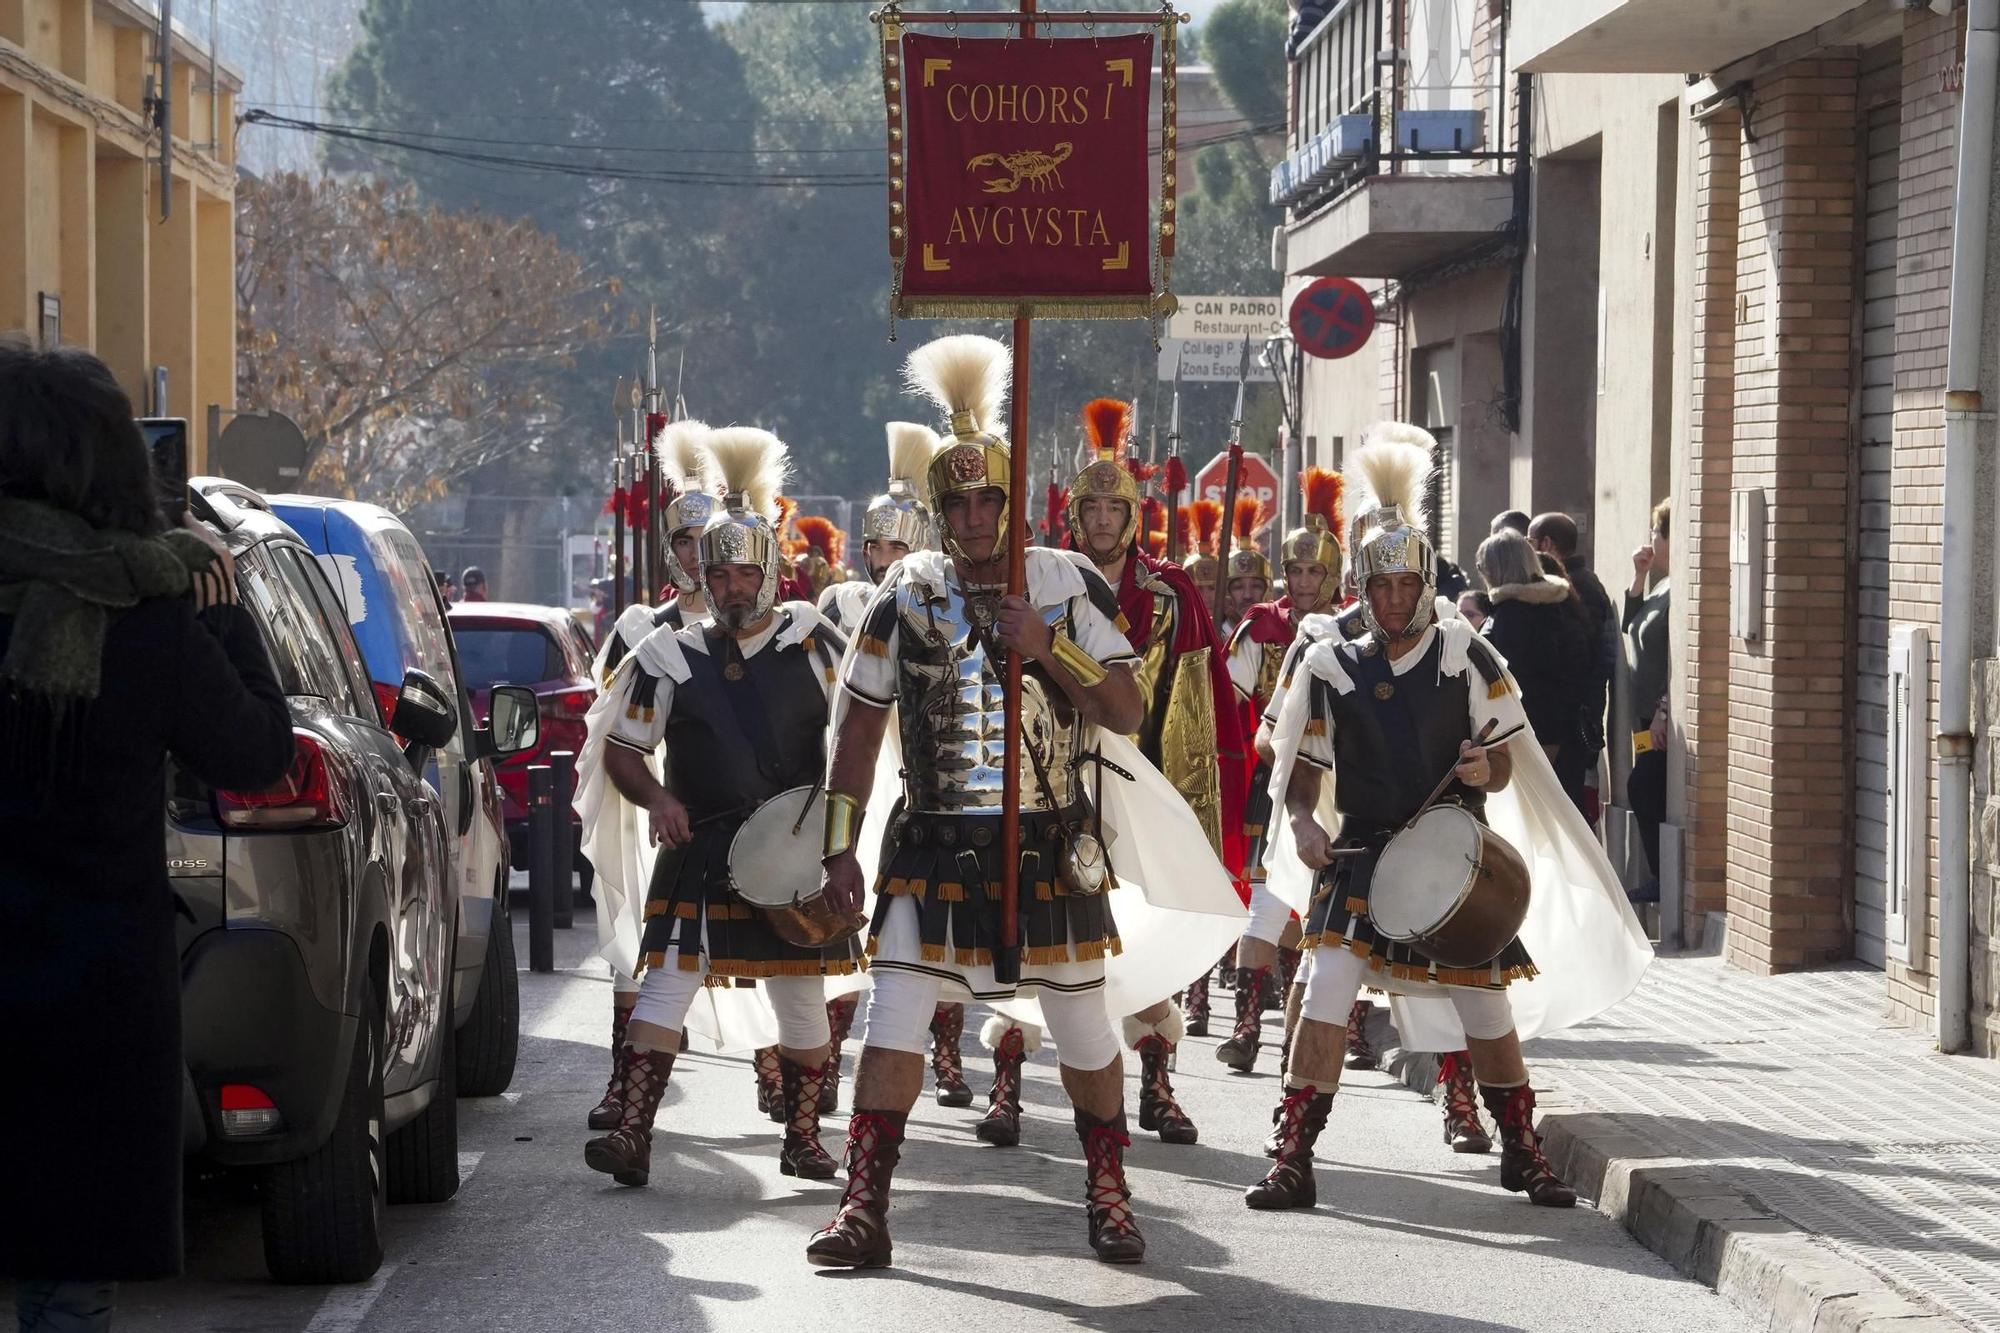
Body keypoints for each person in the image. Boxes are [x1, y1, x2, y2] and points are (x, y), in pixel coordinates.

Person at [806, 335, 1237, 1269]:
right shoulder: (903, 589)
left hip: (1049, 837)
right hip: (931, 837)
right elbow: (857, 727)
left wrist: (1047, 645)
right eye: (954, 499)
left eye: (985, 497)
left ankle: (1109, 1193)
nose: (969, 514)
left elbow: (1121, 708)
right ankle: (863, 1204)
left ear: (1009, 500)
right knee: (895, 1015)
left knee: (1082, 1021)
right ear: (937, 505)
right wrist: (838, 846)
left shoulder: (1065, 581)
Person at [1245, 429, 1651, 1215]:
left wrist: (1480, 769)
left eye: (1407, 584)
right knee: (1326, 984)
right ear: (1363, 587)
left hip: (1451, 855)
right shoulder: (1332, 664)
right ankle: (1294, 1153)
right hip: (1361, 851)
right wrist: (1299, 822)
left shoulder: (1469, 656)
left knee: (1486, 1007)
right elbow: (1302, 769)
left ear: (1425, 581)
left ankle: (1522, 1150)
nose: (1395, 599)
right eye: (1382, 585)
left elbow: (1506, 757)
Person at [0, 343, 295, 1331]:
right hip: (88, 1001)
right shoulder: (148, 612)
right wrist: (216, 606)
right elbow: (255, 751)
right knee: (65, 1283)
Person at [581, 426, 859, 1189]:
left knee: (801, 1003)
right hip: (698, 849)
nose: (734, 586)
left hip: (791, 857)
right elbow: (625, 750)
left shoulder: (816, 645)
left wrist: (840, 846)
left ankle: (802, 1137)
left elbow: (856, 745)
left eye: (746, 572)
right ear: (701, 574)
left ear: (770, 573)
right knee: (665, 983)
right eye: (720, 573)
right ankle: (634, 1130)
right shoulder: (667, 656)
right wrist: (659, 797)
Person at [975, 397, 1247, 1148]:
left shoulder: (1169, 597)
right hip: (1045, 781)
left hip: (1132, 783)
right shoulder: (1035, 583)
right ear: (1072, 512)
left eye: (1112, 504)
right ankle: (1007, 1082)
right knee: (1031, 932)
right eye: (1088, 504)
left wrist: (1194, 812)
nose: (1100, 517)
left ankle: (1154, 1080)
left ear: (1134, 514)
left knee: (1138, 938)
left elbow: (1191, 711)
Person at [814, 421, 972, 1113]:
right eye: (876, 543)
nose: (884, 555)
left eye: (898, 544)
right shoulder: (840, 603)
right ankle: (822, 1058)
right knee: (843, 926)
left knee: (935, 932)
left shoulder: (931, 600)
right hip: (850, 760)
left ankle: (945, 1054)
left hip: (915, 771)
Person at [581, 420, 725, 1135]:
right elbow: (608, 715)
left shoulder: (760, 626)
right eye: (684, 542)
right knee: (638, 945)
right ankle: (624, 1086)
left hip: (730, 804)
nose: (697, 555)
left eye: (708, 540)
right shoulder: (641, 624)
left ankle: (786, 1086)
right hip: (653, 801)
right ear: (669, 550)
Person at [1219, 467, 1354, 1076]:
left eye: (1313, 572)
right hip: (1273, 782)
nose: (1302, 583)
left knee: (1324, 913)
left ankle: (1305, 1029)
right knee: (1267, 907)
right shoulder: (1264, 628)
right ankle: (1247, 1027)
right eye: (1294, 572)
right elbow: (1229, 701)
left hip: (1340, 787)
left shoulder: (1356, 631)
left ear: (1331, 575)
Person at [1476, 530, 1594, 811]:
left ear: (1496, 569)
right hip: (1558, 731)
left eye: (1482, 567)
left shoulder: (1511, 617)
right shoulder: (1562, 606)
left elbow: (1515, 681)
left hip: (1525, 733)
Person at [1529, 511, 1617, 823]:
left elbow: (1582, 658)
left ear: (1547, 543)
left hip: (1571, 721)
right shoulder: (1578, 583)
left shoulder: (1578, 587)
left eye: (1531, 542)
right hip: (1570, 717)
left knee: (1569, 810)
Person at [1624, 499, 1672, 897]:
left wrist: (1664, 710)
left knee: (1644, 786)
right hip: (1643, 717)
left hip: (1660, 717)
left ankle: (1661, 878)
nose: (1650, 540)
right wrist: (1640, 578)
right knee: (1647, 786)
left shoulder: (1683, 591)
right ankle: (1658, 876)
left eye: (1655, 532)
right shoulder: (1663, 584)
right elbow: (1632, 626)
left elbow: (1684, 656)